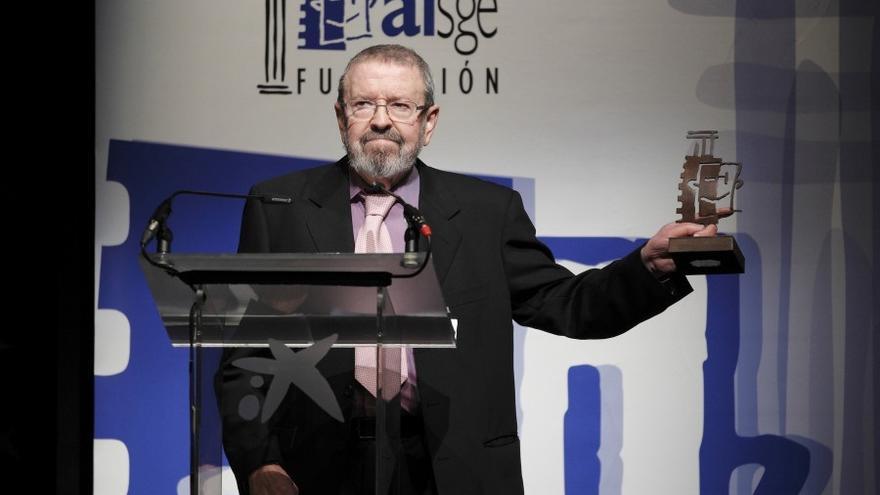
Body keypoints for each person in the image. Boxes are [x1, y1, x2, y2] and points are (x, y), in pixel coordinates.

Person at [217, 44, 716, 495]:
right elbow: (245, 353)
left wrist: (648, 267)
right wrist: (260, 462)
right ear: (340, 115)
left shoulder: (486, 211)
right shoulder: (280, 204)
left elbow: (567, 306)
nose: (381, 121)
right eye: (364, 104)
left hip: (454, 468)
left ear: (428, 122)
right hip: (315, 468)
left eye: (401, 106)